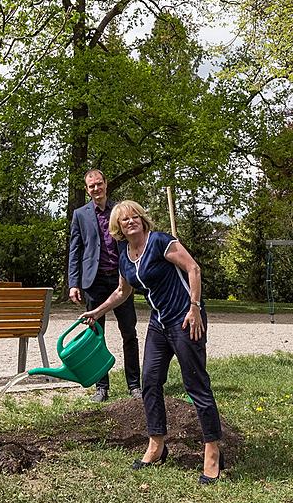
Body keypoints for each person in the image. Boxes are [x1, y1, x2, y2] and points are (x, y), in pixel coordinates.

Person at [80, 200, 223, 484]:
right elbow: (122, 292)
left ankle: (213, 450)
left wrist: (195, 307)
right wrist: (97, 311)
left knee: (196, 383)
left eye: (135, 217)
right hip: (159, 324)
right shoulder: (125, 256)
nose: (130, 221)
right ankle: (157, 444)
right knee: (149, 381)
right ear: (118, 227)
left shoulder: (160, 241)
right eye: (124, 219)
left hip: (185, 320)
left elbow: (193, 268)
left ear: (143, 220)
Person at [68, 170, 141, 402]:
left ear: (106, 185)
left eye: (99, 184)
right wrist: (74, 283)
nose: (96, 189)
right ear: (87, 190)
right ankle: (102, 387)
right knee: (95, 335)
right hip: (93, 281)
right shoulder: (80, 214)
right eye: (92, 186)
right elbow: (75, 250)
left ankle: (134, 385)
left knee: (129, 333)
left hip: (121, 278)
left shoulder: (121, 211)